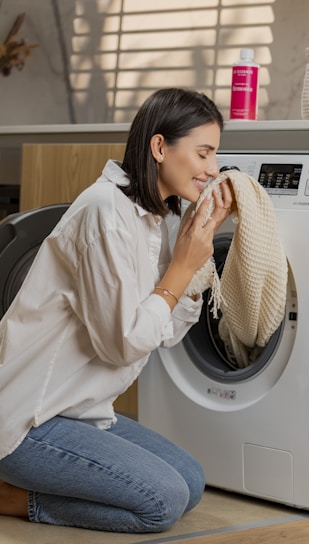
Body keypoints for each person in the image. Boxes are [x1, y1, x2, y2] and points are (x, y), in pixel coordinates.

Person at [0, 88, 233, 533]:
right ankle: (12, 497)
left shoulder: (158, 219)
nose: (213, 170)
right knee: (161, 503)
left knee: (190, 482)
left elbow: (162, 333)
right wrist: (181, 267)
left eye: (215, 155)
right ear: (160, 147)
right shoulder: (106, 211)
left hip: (79, 411)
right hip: (28, 419)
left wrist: (193, 264)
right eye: (203, 154)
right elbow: (123, 345)